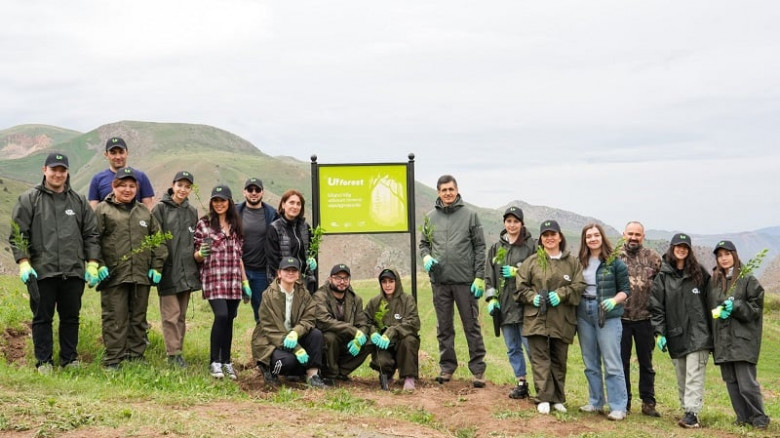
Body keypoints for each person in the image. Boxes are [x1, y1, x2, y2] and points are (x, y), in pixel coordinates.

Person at [9, 153, 100, 373]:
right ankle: (44, 362)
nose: (58, 174)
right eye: (54, 169)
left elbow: (91, 234)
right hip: (42, 271)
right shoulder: (29, 199)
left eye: (62, 170)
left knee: (71, 318)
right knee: (42, 318)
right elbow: (18, 234)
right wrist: (24, 262)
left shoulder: (78, 201)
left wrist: (92, 263)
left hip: (73, 271)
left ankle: (69, 360)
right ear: (45, 170)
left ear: (67, 172)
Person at [94, 167, 168, 369]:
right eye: (122, 185)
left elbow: (158, 241)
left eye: (131, 186)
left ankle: (135, 355)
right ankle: (113, 359)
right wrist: (98, 264)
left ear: (137, 188)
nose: (127, 189)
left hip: (141, 275)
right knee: (115, 317)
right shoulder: (102, 210)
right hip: (113, 275)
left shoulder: (144, 212)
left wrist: (157, 267)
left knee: (138, 318)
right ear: (114, 186)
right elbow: (92, 240)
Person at [419, 174, 487, 387]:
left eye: (451, 189)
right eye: (444, 190)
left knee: (471, 326)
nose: (448, 193)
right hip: (440, 282)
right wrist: (426, 256)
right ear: (438, 192)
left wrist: (479, 277)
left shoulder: (470, 216)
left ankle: (478, 370)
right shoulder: (430, 218)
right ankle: (447, 367)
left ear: (457, 190)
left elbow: (480, 247)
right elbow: (424, 244)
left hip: (465, 281)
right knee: (444, 327)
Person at [515, 220, 585, 415]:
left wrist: (561, 294)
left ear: (560, 236)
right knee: (540, 359)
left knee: (559, 359)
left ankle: (558, 398)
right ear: (541, 239)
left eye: (553, 234)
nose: (549, 238)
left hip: (562, 318)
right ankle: (544, 397)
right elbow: (520, 287)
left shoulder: (572, 263)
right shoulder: (532, 262)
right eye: (545, 235)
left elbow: (579, 286)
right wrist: (533, 298)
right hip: (536, 317)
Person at [649, 233, 712, 429]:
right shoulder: (663, 276)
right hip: (676, 334)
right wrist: (659, 332)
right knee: (682, 375)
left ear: (689, 250)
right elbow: (656, 306)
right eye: (678, 246)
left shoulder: (699, 273)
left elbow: (712, 298)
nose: (681, 249)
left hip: (699, 333)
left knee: (694, 374)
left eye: (685, 247)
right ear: (672, 248)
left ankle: (692, 413)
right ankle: (687, 410)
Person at [709, 241, 769, 429]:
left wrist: (735, 306)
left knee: (746, 384)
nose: (724, 258)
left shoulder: (748, 279)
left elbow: (756, 308)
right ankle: (742, 418)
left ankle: (760, 418)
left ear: (734, 255)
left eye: (727, 254)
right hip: (722, 341)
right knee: (732, 383)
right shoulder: (714, 282)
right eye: (720, 255)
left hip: (742, 340)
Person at [194, 185, 251, 380]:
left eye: (222, 200)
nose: (219, 204)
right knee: (221, 315)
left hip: (233, 280)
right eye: (215, 200)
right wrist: (201, 253)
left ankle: (226, 361)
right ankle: (214, 361)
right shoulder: (204, 224)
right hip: (214, 279)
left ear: (229, 202)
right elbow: (196, 255)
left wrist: (245, 282)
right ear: (211, 202)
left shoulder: (236, 225)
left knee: (229, 320)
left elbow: (238, 256)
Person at [576, 224, 630, 420]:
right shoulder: (580, 262)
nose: (592, 239)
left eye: (596, 235)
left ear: (602, 237)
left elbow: (625, 290)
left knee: (612, 361)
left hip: (607, 313)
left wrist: (614, 300)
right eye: (588, 236)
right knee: (590, 361)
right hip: (584, 311)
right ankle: (596, 401)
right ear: (584, 240)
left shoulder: (614, 263)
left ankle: (618, 406)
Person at [151, 171, 202, 368]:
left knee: (180, 315)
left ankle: (178, 353)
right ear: (173, 185)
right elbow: (156, 240)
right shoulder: (160, 209)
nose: (183, 189)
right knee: (170, 315)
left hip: (187, 272)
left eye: (187, 186)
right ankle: (172, 354)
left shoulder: (192, 211)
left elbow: (195, 241)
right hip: (167, 271)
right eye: (180, 185)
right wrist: (157, 266)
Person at [484, 206, 535, 399]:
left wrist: (518, 272)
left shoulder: (531, 246)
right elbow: (489, 275)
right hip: (504, 308)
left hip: (525, 307)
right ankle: (521, 382)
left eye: (516, 221)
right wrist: (492, 298)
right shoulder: (496, 248)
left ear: (522, 223)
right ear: (504, 223)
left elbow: (539, 272)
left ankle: (543, 386)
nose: (512, 225)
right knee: (513, 348)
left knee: (531, 348)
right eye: (509, 221)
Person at [251, 257, 326, 388]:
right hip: (272, 341)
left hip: (294, 338)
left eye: (294, 270)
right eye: (286, 270)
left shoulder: (304, 293)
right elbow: (270, 329)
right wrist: (297, 349)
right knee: (288, 362)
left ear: (298, 274)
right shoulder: (268, 295)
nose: (290, 273)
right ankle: (268, 369)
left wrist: (295, 333)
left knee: (316, 335)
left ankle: (312, 375)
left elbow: (309, 318)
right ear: (279, 273)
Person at [617, 221, 662, 417]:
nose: (633, 237)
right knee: (622, 363)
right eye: (630, 233)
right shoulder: (614, 257)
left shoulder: (653, 258)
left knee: (646, 362)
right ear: (624, 234)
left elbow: (662, 286)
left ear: (643, 236)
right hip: (620, 319)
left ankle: (648, 402)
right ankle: (624, 401)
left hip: (645, 319)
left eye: (637, 234)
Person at [313, 264, 372, 383]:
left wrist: (359, 337)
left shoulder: (355, 299)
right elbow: (324, 321)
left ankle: (341, 372)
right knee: (330, 337)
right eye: (338, 278)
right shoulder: (320, 296)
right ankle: (329, 374)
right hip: (328, 338)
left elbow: (362, 322)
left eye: (345, 278)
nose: (342, 282)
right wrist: (353, 331)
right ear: (330, 279)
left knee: (369, 341)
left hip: (347, 339)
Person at [364, 268, 421, 391]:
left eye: (391, 281)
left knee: (409, 340)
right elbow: (364, 321)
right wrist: (373, 332)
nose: (388, 285)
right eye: (384, 282)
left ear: (397, 282)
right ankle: (387, 374)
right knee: (382, 361)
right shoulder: (374, 302)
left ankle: (408, 377)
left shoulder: (407, 300)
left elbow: (414, 322)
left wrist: (393, 331)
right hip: (384, 344)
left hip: (401, 341)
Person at [236, 177, 279, 323]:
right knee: (228, 313)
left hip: (261, 272)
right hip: (237, 269)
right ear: (244, 192)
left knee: (262, 315)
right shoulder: (235, 212)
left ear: (262, 192)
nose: (254, 193)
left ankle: (262, 339)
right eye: (250, 189)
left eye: (257, 190)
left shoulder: (272, 214)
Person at [266, 189, 317, 294]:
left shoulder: (305, 227)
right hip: (284, 282)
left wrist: (312, 260)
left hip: (304, 281)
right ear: (283, 204)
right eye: (291, 202)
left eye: (298, 204)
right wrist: (284, 278)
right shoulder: (274, 228)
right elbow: (272, 259)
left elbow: (311, 251)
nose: (295, 206)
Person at [88, 137, 155, 209]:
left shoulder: (141, 176)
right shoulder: (97, 179)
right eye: (113, 153)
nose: (118, 157)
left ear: (127, 153)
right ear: (106, 155)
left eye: (121, 152)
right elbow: (93, 210)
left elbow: (149, 209)